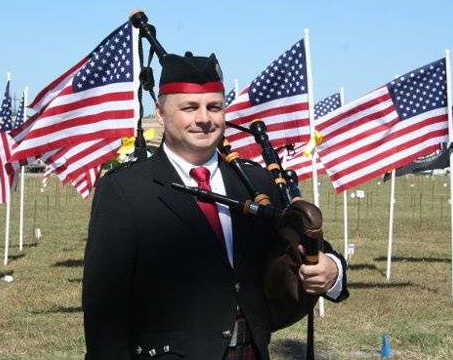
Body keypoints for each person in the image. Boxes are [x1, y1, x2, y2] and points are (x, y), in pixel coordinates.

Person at [83, 52, 348, 360]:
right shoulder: (124, 190)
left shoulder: (255, 181)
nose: (204, 119)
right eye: (189, 107)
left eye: (215, 107)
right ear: (160, 112)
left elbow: (307, 245)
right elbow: (103, 310)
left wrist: (332, 269)